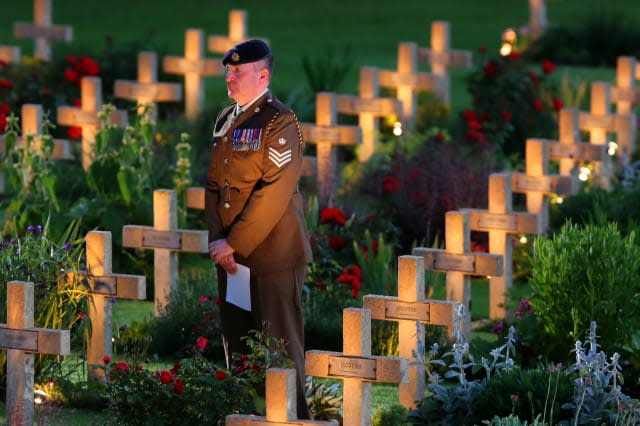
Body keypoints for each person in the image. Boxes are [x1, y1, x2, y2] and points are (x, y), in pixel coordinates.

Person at [205, 39, 312, 418]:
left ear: (262, 75)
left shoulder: (279, 121)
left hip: (272, 255)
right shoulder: (225, 118)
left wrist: (232, 242)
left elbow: (274, 193)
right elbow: (215, 186)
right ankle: (244, 418)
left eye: (238, 71)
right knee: (239, 347)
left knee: (279, 347)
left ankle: (292, 418)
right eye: (228, 71)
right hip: (232, 258)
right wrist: (217, 239)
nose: (229, 77)